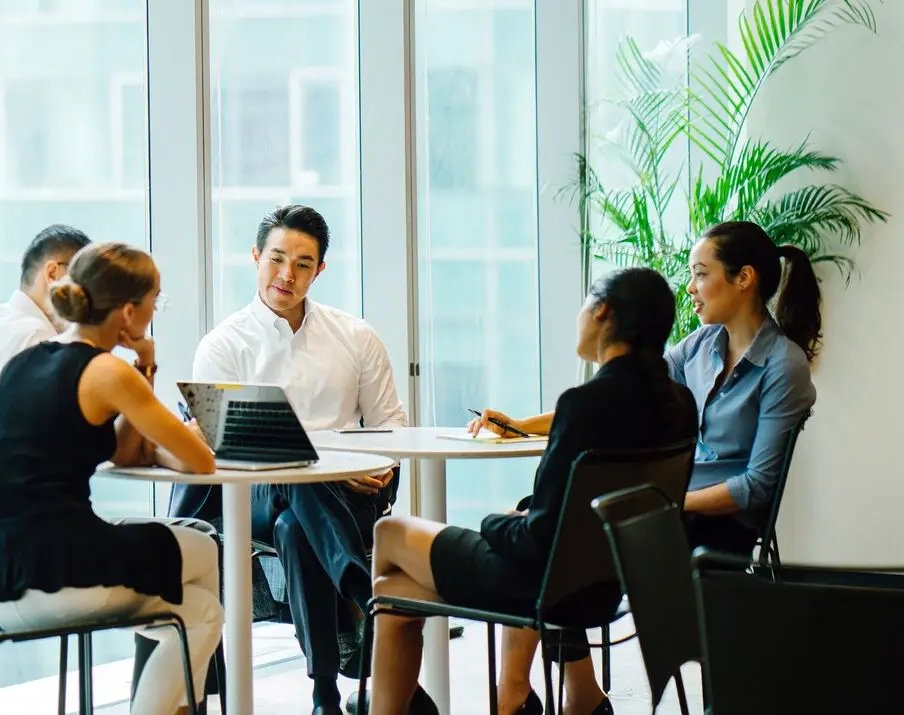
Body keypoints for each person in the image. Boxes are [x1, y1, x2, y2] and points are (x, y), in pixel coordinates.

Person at [471, 222, 820, 714]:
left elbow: (755, 487)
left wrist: (663, 498)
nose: (691, 288)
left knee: (552, 531)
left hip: (718, 526)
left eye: (701, 274)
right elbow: (620, 394)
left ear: (744, 279)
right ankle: (576, 696)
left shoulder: (783, 365)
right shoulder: (700, 347)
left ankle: (545, 698)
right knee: (549, 524)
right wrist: (523, 424)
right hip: (665, 508)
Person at [365, 268, 698, 715]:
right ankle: (524, 698)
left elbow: (536, 541)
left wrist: (493, 523)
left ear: (602, 313)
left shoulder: (584, 406)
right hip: (612, 583)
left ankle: (456, 701)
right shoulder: (679, 403)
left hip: (541, 587)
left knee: (389, 534)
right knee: (397, 589)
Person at [169, 205, 409, 715]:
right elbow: (220, 450)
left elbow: (392, 429)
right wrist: (312, 462)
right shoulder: (224, 345)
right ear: (256, 257)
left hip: (347, 493)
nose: (287, 274)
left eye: (303, 263)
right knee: (293, 475)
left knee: (294, 529)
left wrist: (383, 465)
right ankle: (362, 593)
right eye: (276, 258)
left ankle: (324, 694)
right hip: (251, 493)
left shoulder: (356, 337)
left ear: (320, 270)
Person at [0, 241, 222, 715]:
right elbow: (202, 462)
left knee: (201, 612)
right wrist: (144, 370)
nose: (157, 311)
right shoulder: (106, 371)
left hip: (1, 571)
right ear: (129, 313)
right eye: (156, 301)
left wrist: (144, 368)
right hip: (63, 571)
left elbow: (126, 451)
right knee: (205, 550)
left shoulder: (26, 361)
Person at [0, 224, 90, 522]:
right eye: (85, 285)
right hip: (7, 525)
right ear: (53, 274)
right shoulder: (35, 338)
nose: (88, 302)